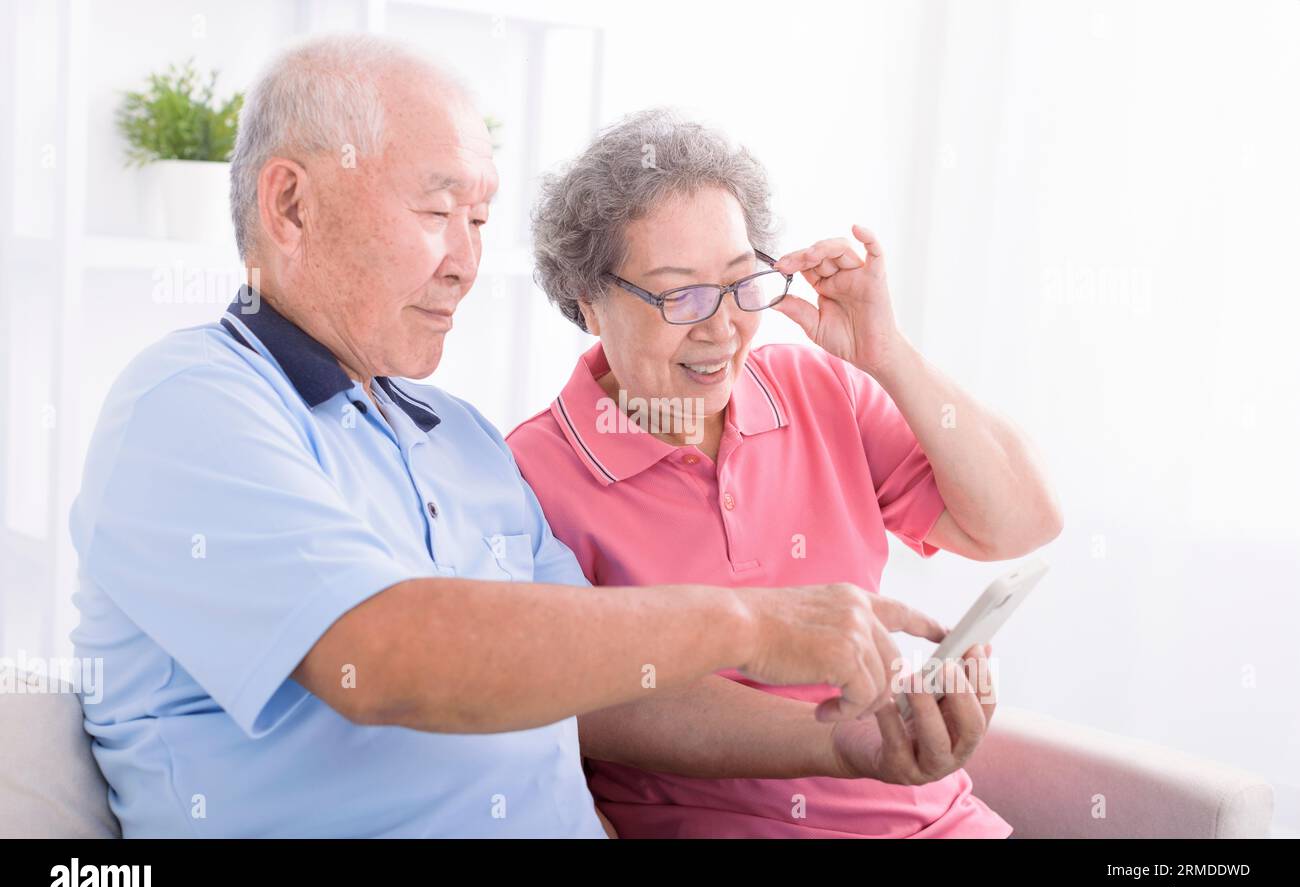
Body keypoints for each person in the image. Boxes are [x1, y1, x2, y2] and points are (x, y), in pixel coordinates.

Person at [67, 36, 946, 838]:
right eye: (437, 212)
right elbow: (385, 656)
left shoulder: (460, 438)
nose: (466, 261)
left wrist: (846, 747)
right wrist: (752, 620)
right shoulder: (189, 406)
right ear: (291, 204)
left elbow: (613, 691)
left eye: (480, 222)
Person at [506, 108, 1064, 837]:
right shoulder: (530, 473)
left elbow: (1022, 522)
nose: (720, 327)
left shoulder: (813, 386)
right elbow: (583, 700)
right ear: (589, 301)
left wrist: (888, 355)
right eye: (681, 295)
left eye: (743, 284)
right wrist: (848, 742)